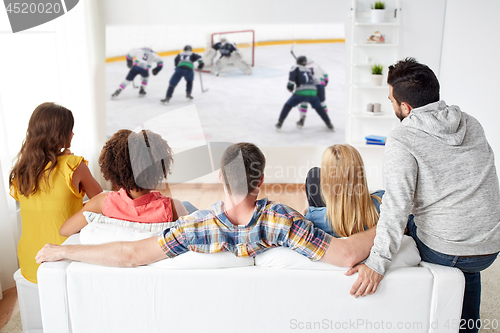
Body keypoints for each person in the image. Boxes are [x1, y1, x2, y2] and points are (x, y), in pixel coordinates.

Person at [36, 143, 376, 270]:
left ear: (219, 177)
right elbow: (346, 254)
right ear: (260, 182)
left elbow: (131, 255)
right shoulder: (283, 220)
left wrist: (66, 252)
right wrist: (388, 221)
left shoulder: (196, 226)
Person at [348, 58, 500, 333]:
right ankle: (469, 328)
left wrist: (377, 263)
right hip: (489, 246)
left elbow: (397, 206)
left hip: (446, 250)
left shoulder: (403, 138)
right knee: (467, 265)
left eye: (391, 100)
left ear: (405, 108)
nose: (392, 104)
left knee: (384, 201)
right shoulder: (471, 123)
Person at [9, 102, 103, 283]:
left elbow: (46, 206)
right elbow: (100, 200)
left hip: (29, 261)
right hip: (62, 258)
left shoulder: (21, 170)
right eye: (70, 129)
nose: (73, 133)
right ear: (59, 134)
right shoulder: (73, 165)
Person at [59, 129, 189, 236]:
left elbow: (64, 231)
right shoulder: (173, 207)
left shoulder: (101, 202)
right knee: (188, 205)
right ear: (159, 168)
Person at [304, 144, 383, 237]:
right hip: (366, 213)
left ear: (326, 180)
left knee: (313, 174)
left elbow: (302, 224)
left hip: (332, 220)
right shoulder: (383, 202)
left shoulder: (315, 217)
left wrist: (306, 208)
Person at [276, 56, 334, 131]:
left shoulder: (295, 67)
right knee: (320, 108)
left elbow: (291, 80)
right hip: (313, 92)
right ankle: (329, 124)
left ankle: (280, 122)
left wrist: (290, 87)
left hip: (301, 92)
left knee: (288, 105)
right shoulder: (308, 69)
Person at [296, 58, 330, 128]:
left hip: (309, 87)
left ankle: (302, 120)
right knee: (322, 103)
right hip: (320, 85)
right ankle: (328, 121)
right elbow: (326, 75)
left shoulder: (303, 68)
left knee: (304, 102)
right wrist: (325, 81)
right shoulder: (317, 65)